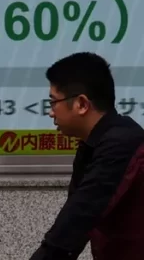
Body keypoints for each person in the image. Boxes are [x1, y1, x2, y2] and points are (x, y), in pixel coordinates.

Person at [30, 52, 144, 260]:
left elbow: (78, 218)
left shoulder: (121, 145)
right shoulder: (93, 144)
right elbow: (73, 224)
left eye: (53, 102)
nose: (50, 112)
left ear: (82, 104)